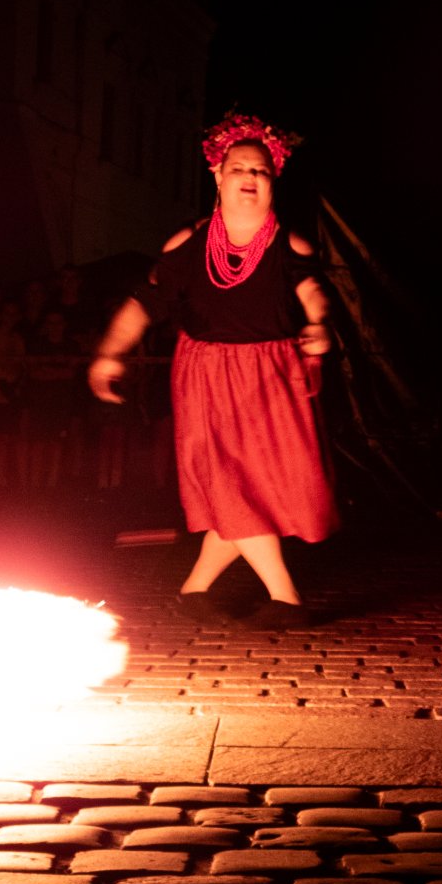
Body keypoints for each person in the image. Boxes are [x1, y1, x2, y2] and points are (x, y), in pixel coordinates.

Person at [89, 112, 337, 628]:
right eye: (238, 167)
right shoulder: (190, 245)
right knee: (232, 486)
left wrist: (317, 323)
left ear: (273, 179)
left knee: (258, 490)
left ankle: (194, 592)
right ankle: (286, 596)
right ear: (218, 177)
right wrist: (110, 352)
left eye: (261, 170)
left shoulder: (291, 246)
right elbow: (143, 302)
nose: (249, 175)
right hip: (208, 377)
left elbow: (313, 292)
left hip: (271, 377)